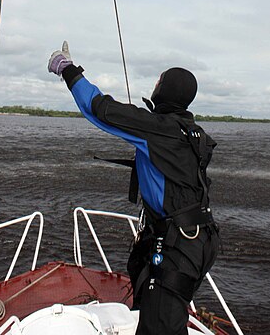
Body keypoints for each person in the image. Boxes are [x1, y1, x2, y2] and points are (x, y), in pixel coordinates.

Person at [48, 41, 219, 335]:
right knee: (156, 308)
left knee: (161, 326)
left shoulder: (160, 129)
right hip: (197, 240)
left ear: (167, 90)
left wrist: (68, 70)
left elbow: (99, 108)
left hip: (178, 245)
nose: (154, 84)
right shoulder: (194, 133)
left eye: (159, 81)